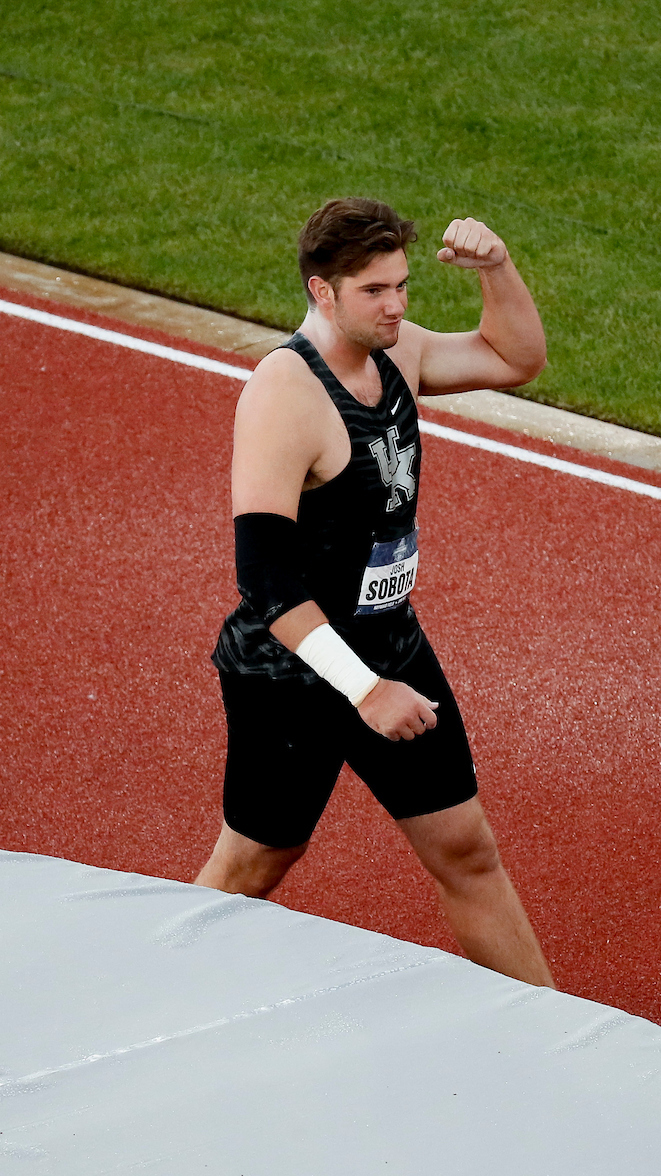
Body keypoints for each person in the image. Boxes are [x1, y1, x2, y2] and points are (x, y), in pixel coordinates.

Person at [195, 198, 555, 988]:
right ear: (323, 292)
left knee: (467, 849)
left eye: (402, 286)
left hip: (390, 641)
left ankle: (553, 1032)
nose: (396, 306)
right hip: (291, 673)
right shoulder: (284, 394)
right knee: (257, 860)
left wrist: (496, 268)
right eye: (374, 291)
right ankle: (157, 999)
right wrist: (364, 691)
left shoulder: (402, 353)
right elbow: (263, 578)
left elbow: (515, 357)